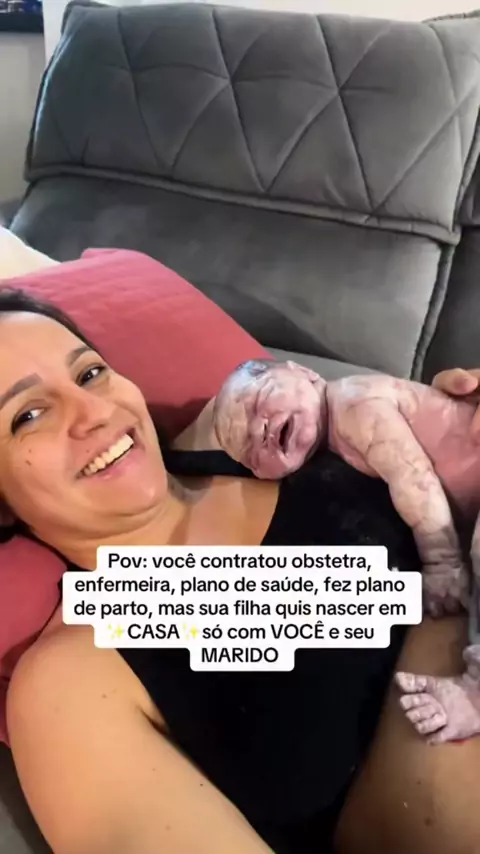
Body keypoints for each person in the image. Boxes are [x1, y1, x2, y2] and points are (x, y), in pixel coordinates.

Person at [1, 288, 480, 854]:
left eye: (90, 374)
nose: (96, 413)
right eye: (28, 416)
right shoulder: (73, 680)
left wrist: (458, 428)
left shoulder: (249, 433)